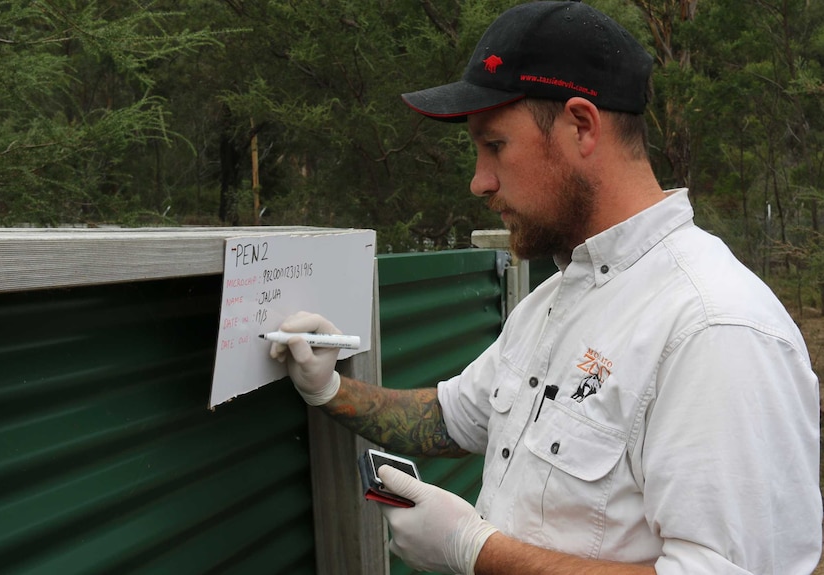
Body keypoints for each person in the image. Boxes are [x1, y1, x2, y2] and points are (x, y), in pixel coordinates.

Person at [269, 2, 823, 574]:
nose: (479, 181)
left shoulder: (712, 327)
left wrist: (474, 549)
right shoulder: (553, 301)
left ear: (582, 126)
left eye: (495, 146)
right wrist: (327, 388)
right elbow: (451, 418)